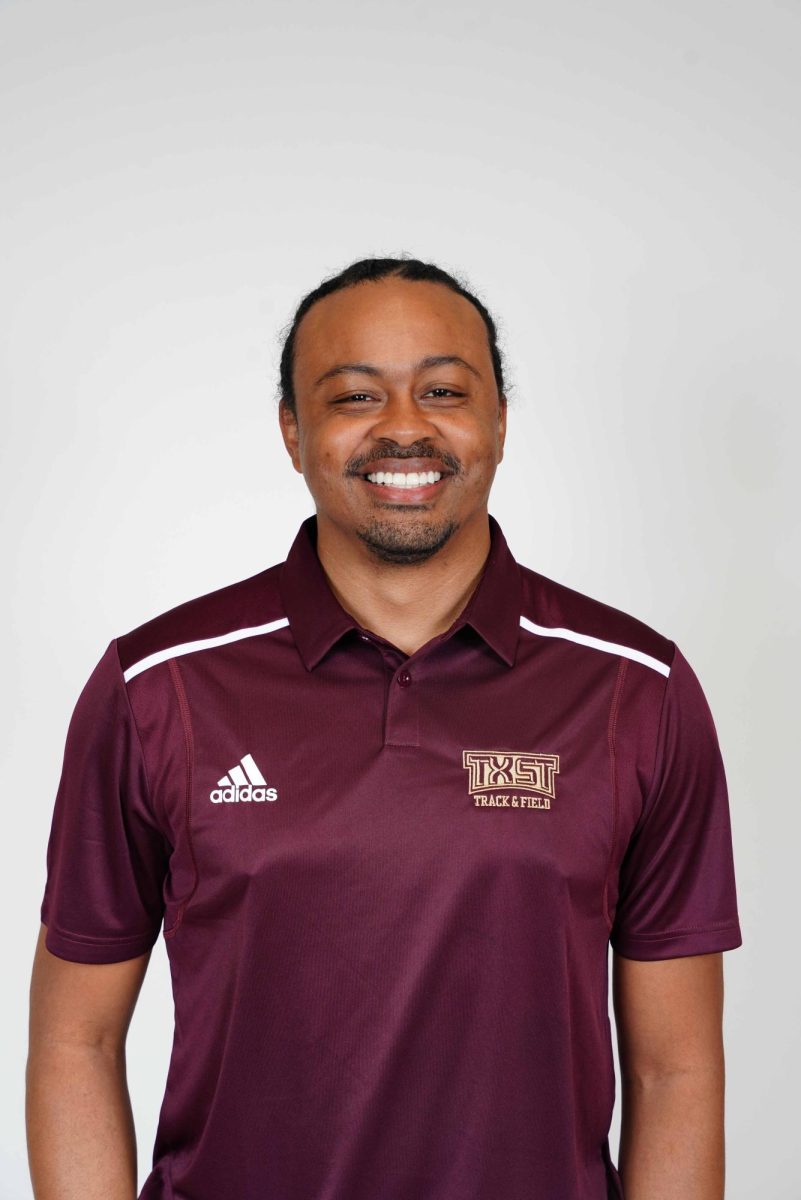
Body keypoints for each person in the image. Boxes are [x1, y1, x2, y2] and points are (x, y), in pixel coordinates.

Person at [27, 256, 743, 1200]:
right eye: (354, 395)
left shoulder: (633, 690)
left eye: (443, 390)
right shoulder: (158, 687)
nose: (405, 427)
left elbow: (675, 1069)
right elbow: (75, 1040)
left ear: (495, 423)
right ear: (293, 431)